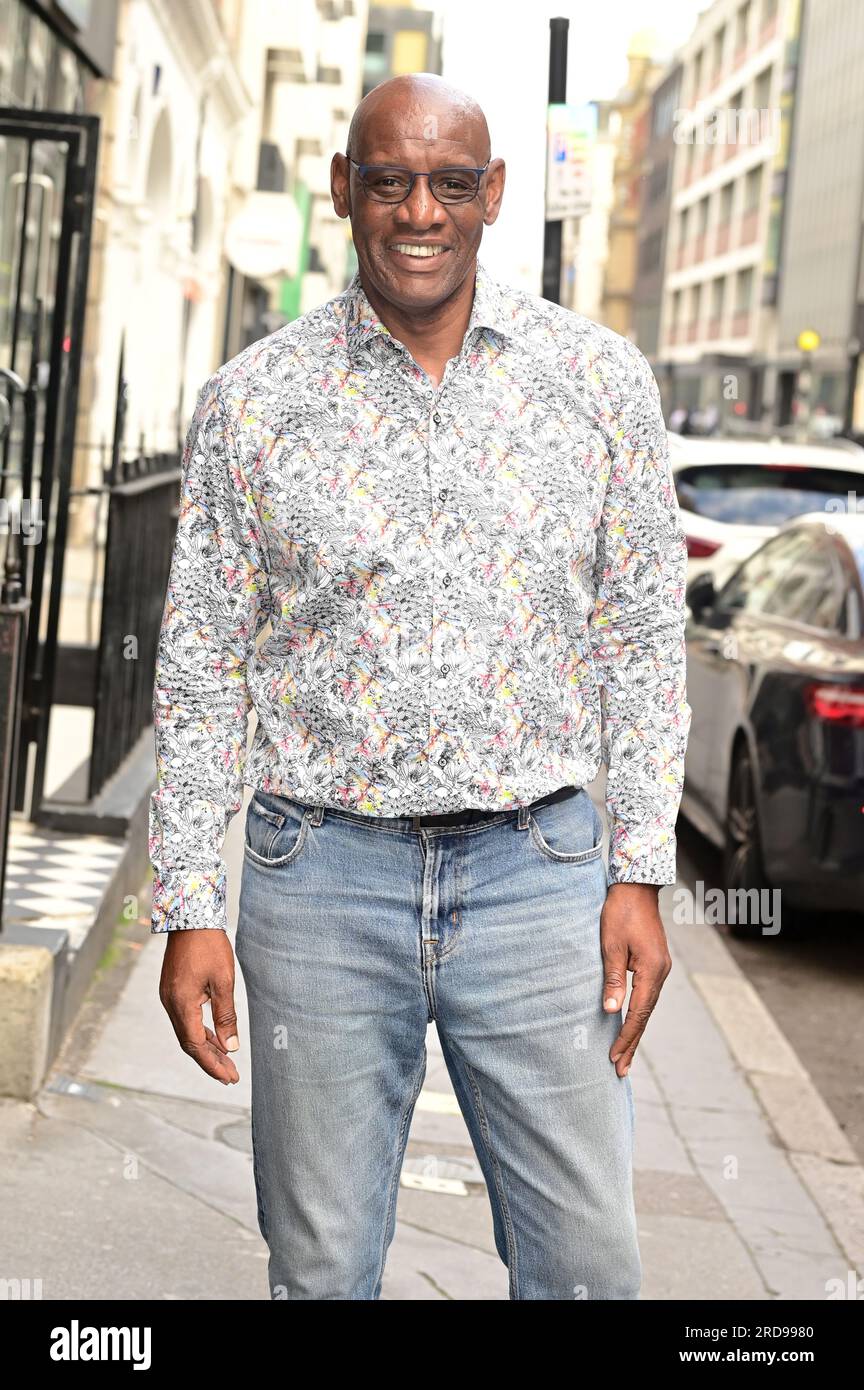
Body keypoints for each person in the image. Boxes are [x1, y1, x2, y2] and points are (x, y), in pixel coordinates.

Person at [149, 72, 691, 1301]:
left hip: (538, 878)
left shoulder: (598, 383)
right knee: (325, 1267)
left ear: (493, 195)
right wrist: (189, 902)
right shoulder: (254, 401)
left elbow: (647, 639)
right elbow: (198, 668)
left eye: (452, 183)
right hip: (321, 878)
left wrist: (640, 869)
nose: (419, 212)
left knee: (590, 1265)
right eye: (389, 180)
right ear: (345, 189)